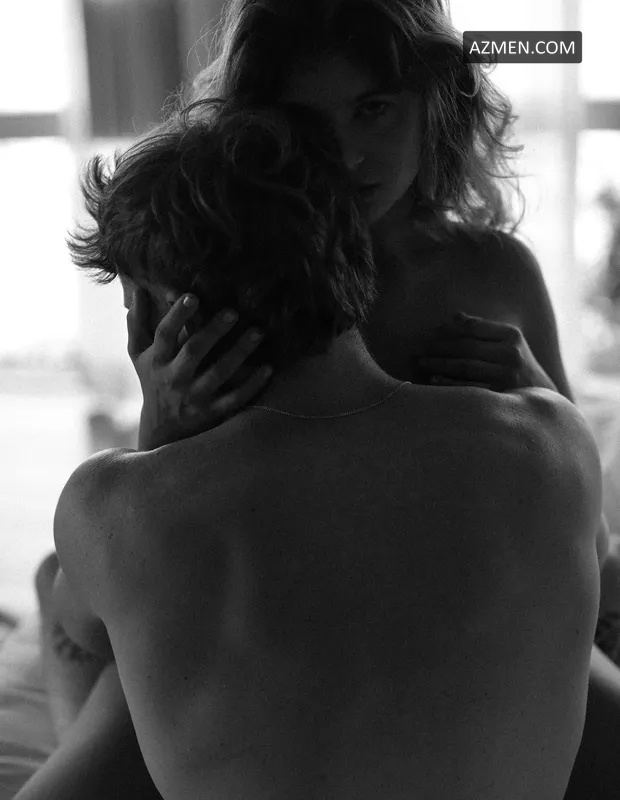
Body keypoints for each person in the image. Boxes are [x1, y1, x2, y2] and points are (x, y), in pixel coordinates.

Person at [17, 99, 602, 800]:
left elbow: (91, 625)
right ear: (353, 261)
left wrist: (159, 446)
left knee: (77, 602)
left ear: (148, 317)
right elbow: (593, 561)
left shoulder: (110, 507)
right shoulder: (553, 443)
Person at [134, 2, 619, 796]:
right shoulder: (231, 280)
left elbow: (580, 525)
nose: (345, 152)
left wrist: (536, 394)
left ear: (437, 104)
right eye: (304, 120)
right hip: (288, 619)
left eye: (374, 109)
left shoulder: (493, 272)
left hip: (483, 613)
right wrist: (165, 413)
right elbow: (155, 523)